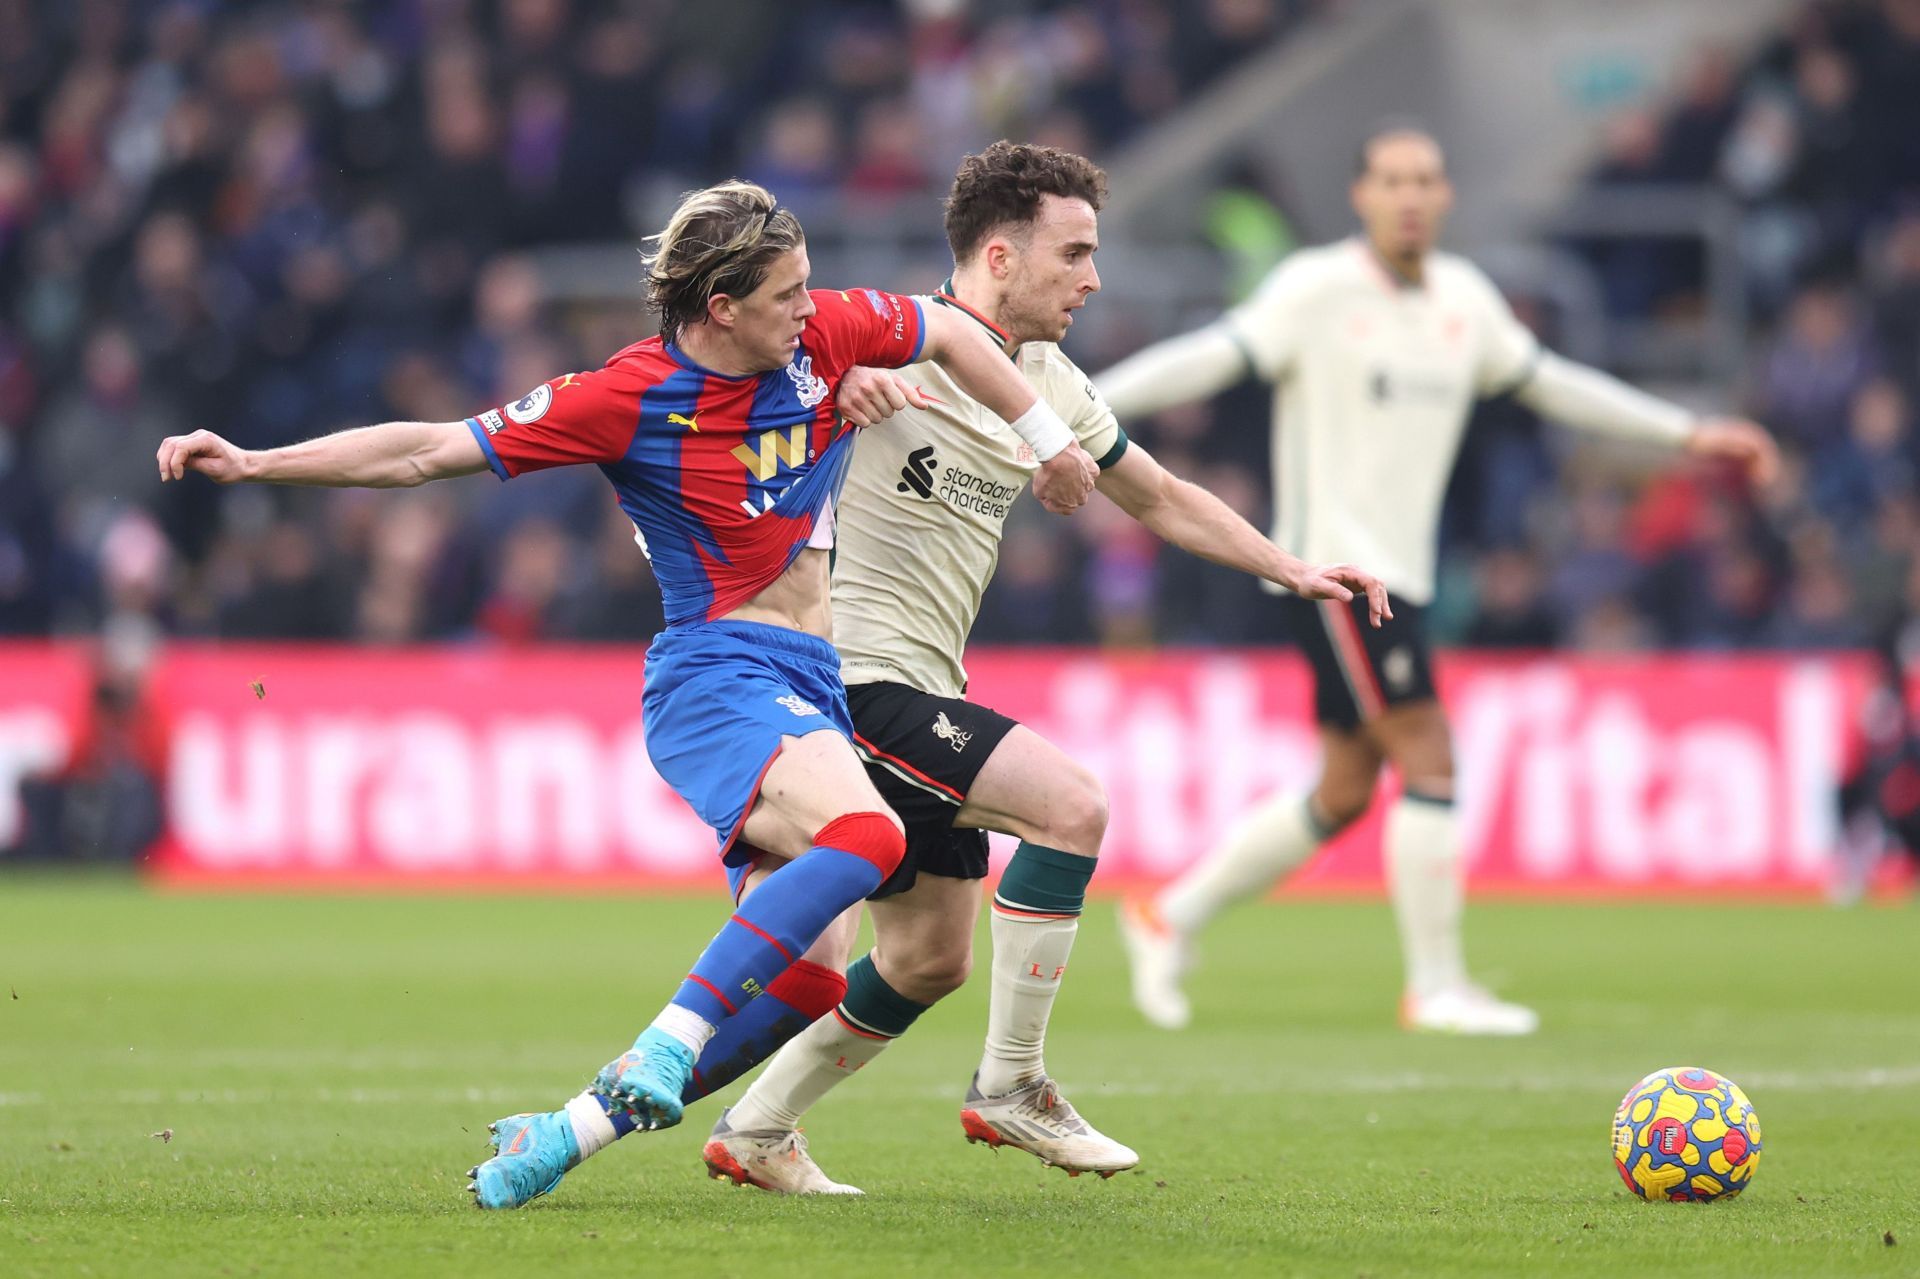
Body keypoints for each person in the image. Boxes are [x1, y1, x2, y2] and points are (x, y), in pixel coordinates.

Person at [154, 178, 1102, 1209]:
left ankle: (566, 1130)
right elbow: (427, 449)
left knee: (811, 981)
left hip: (811, 684)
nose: (810, 309)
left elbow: (950, 333)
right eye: (787, 295)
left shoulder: (821, 335)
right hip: (716, 675)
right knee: (870, 838)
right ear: (721, 310)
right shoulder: (622, 397)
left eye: (809, 288)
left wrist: (1046, 438)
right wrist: (255, 463)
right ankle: (669, 1036)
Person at [691, 141, 1386, 1194]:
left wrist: (1288, 566)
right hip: (846, 682)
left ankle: (758, 1128)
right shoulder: (877, 341)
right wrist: (840, 383)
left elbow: (1156, 495)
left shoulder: (1052, 382)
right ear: (1002, 258)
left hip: (927, 684)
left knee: (930, 957)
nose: (1093, 277)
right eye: (1076, 253)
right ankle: (1012, 1084)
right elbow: (738, 372)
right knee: (1071, 805)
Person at [1097, 127, 1779, 1036]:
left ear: (1445, 195)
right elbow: (1209, 355)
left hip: (1405, 575)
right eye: (1391, 180)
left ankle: (1164, 916)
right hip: (1334, 572)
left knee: (1344, 788)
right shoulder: (1315, 289)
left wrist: (1686, 434)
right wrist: (1079, 399)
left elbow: (1554, 383)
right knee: (1430, 753)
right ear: (1361, 196)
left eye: (1424, 179)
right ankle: (1437, 985)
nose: (1409, 195)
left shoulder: (1466, 300)